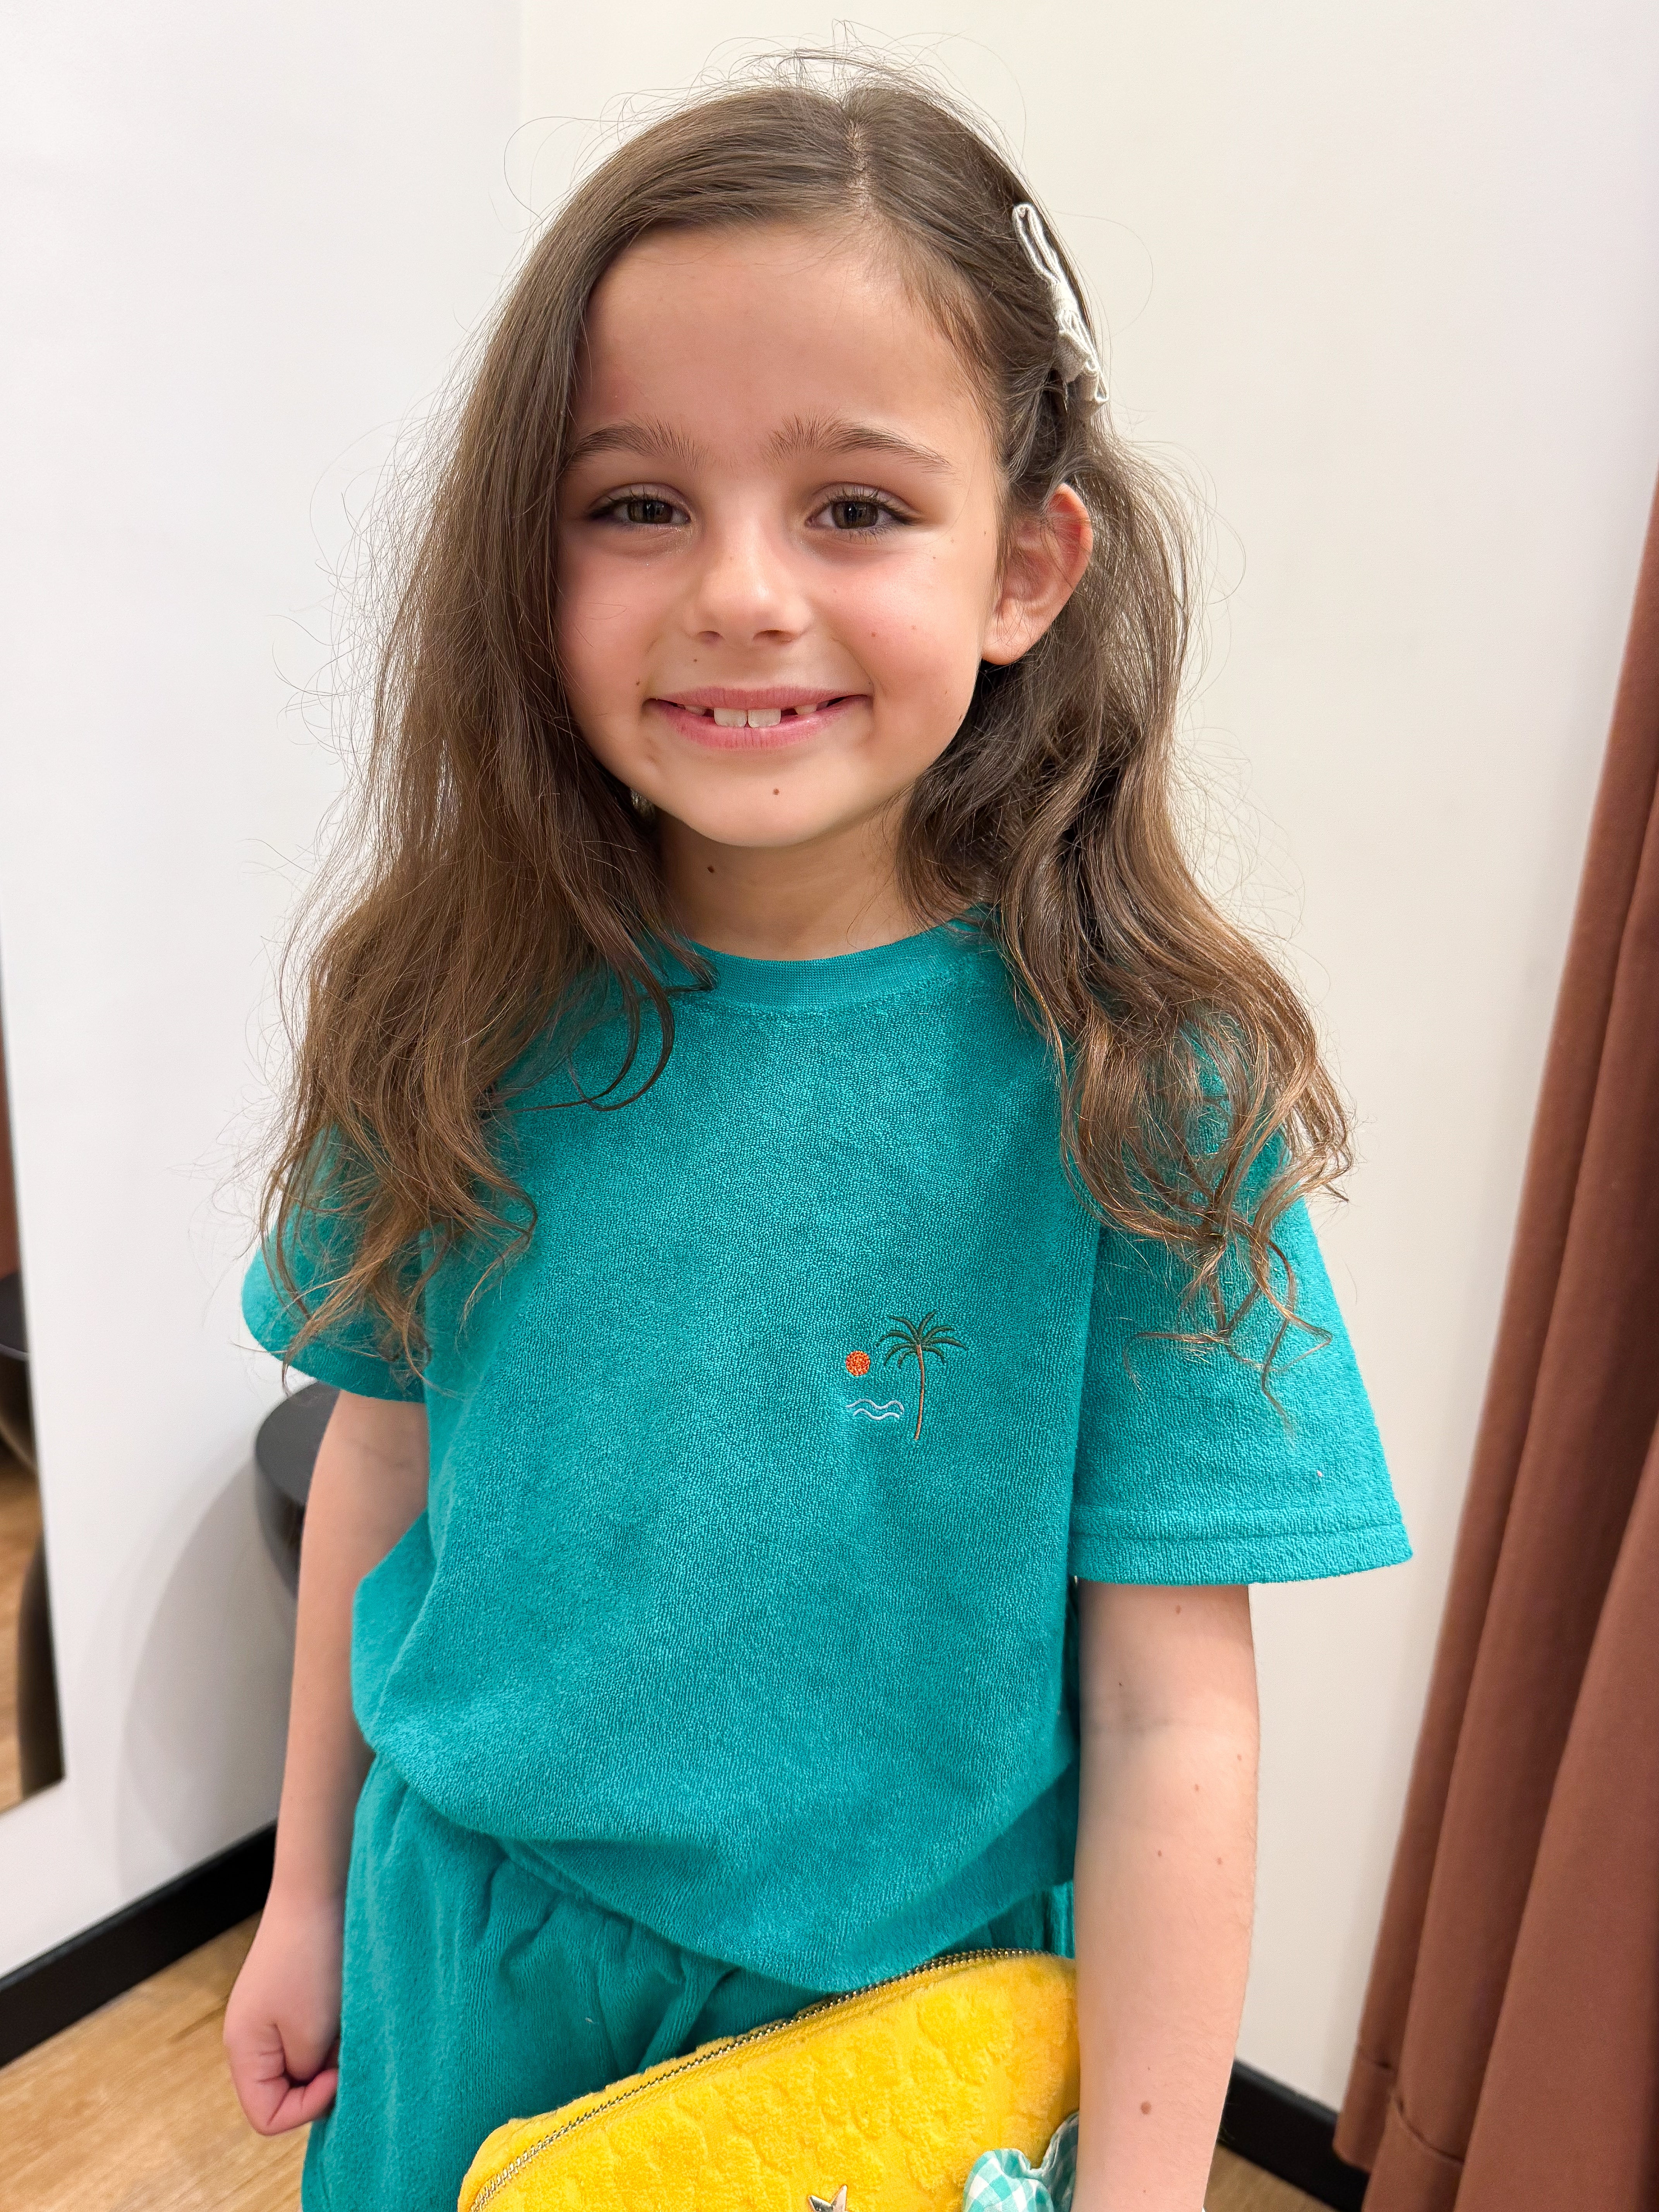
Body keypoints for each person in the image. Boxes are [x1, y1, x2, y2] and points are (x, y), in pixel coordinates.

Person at [223, 55, 1409, 2212]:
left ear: (1026, 566)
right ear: (524, 558)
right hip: (460, 1979)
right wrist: (305, 1896)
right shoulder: (438, 1006)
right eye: (635, 504)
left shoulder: (1140, 1088)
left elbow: (1173, 1718)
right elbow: (381, 1472)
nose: (743, 593)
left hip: (901, 2051)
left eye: (855, 507)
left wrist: (1148, 2191)